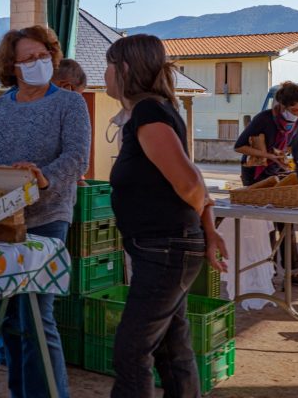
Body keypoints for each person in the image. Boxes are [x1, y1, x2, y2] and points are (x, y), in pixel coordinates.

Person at [0, 25, 91, 398]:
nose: (38, 63)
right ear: (13, 67)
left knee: (37, 317)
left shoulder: (69, 104)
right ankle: (19, 391)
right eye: (28, 59)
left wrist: (44, 179)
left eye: (43, 56)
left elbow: (77, 158)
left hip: (45, 221)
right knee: (5, 320)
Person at [105, 34, 228, 398]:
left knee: (132, 350)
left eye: (109, 65)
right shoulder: (153, 110)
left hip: (166, 249)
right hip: (167, 248)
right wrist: (205, 229)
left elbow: (190, 183)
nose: (106, 74)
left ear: (125, 68)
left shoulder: (149, 112)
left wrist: (200, 227)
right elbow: (193, 177)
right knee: (173, 350)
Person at [234, 81, 298, 286]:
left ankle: (292, 272)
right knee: (266, 225)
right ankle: (267, 271)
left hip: (279, 172)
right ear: (282, 106)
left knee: (287, 223)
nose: (297, 114)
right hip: (257, 176)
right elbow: (239, 147)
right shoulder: (264, 119)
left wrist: (287, 159)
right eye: (294, 109)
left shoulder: (297, 123)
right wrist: (268, 155)